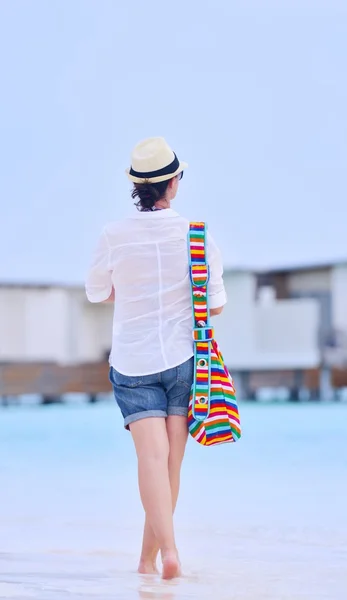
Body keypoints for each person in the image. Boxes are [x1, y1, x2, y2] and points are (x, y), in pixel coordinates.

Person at [85, 137, 227, 579]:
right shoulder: (198, 236)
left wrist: (131, 290)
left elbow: (96, 292)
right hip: (184, 360)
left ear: (137, 187)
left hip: (132, 361)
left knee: (150, 460)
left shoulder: (113, 235)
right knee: (171, 465)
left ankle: (159, 557)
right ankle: (161, 555)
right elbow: (216, 304)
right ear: (174, 183)